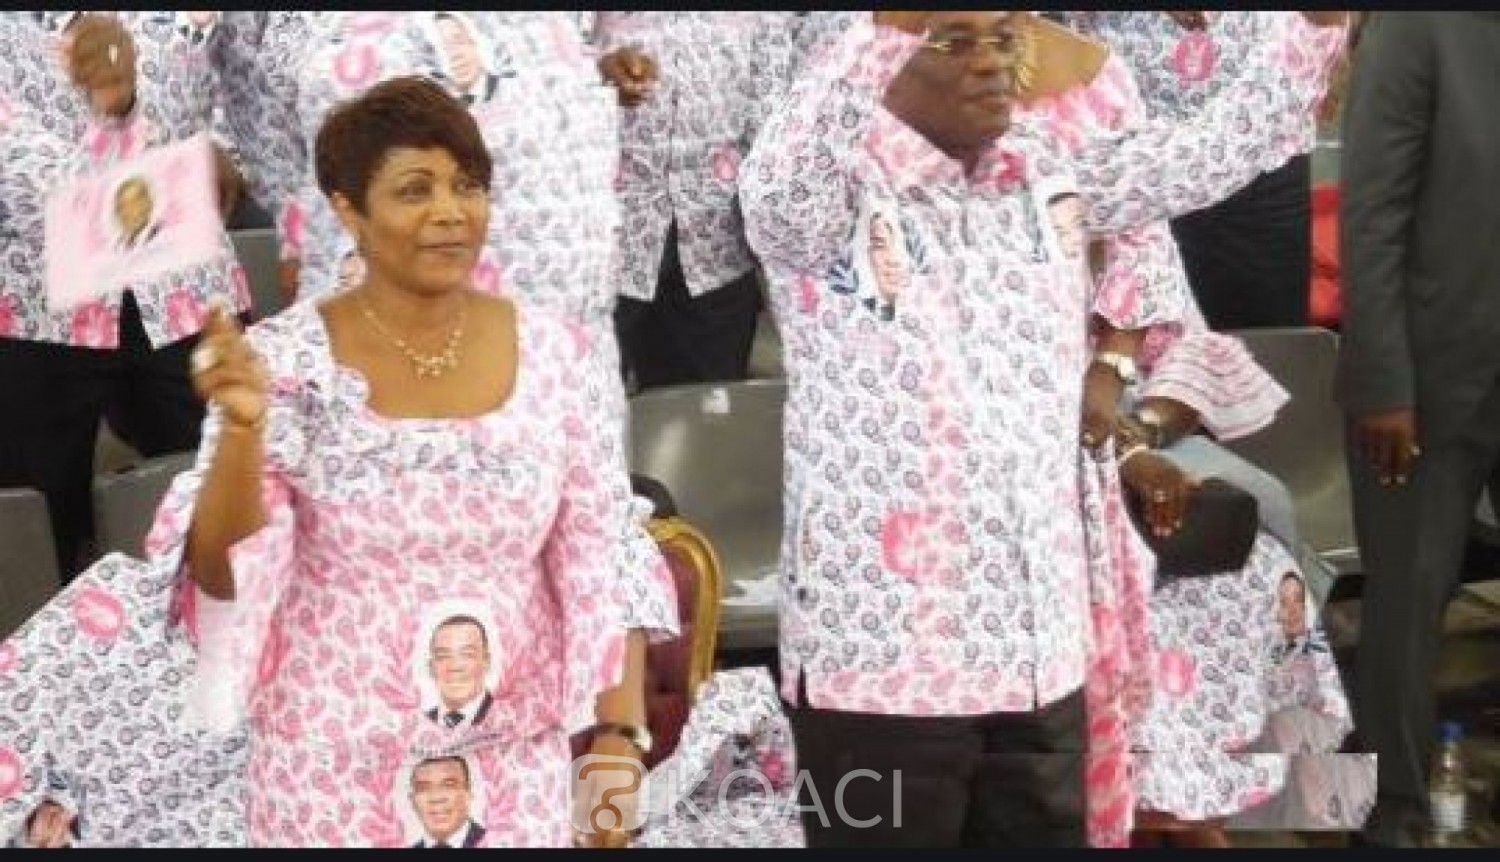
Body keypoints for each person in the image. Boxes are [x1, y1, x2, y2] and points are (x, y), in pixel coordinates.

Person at [741, 9, 1346, 848]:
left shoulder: (1048, 172)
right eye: (954, 43)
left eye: (1002, 40)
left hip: (1042, 657)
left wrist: (1313, 27)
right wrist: (886, 29)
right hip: (885, 669)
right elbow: (781, 184)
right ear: (882, 60)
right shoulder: (828, 198)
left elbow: (1213, 150)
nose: (991, 64)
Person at [145, 77, 676, 848]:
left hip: (512, 763)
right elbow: (222, 575)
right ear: (347, 209)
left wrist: (617, 743)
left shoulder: (557, 352)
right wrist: (242, 429)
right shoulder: (283, 362)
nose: (450, 212)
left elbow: (603, 551)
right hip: (328, 769)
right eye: (414, 189)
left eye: (467, 186)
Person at [0, 11, 249, 578]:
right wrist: (135, 131)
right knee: (40, 535)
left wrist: (220, 151)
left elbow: (237, 97)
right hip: (39, 303)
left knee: (225, 501)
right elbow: (17, 165)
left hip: (183, 289)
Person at [1337, 11, 1500, 849]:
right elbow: (1371, 211)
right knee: (1405, 605)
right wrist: (1382, 382)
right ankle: (1391, 806)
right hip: (1425, 379)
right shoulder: (1417, 23)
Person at [1062, 12, 1325, 331]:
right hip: (1135, 166)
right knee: (1147, 342)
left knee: (1270, 342)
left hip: (1267, 140)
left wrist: (1320, 42)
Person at [594, 12, 795, 390]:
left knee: (705, 409)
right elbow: (551, 58)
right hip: (607, 235)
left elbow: (771, 111)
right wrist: (597, 75)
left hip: (717, 241)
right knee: (588, 399)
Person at [423, 615, 496, 729]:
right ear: (431, 667)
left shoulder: (509, 719)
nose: (455, 667)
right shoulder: (418, 725)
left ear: (486, 662)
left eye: (467, 655)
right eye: (443, 656)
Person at [408, 757, 487, 848]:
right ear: (412, 800)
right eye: (423, 788)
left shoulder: (495, 842)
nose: (436, 797)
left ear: (468, 793)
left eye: (449, 785)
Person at [431, 12, 500, 107]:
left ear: (477, 42)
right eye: (443, 48)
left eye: (459, 41)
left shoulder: (509, 88)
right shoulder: (441, 105)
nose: (454, 55)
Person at [112, 177, 161, 252]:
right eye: (120, 208)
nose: (124, 214)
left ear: (147, 205)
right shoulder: (119, 246)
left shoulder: (161, 238)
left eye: (131, 207)